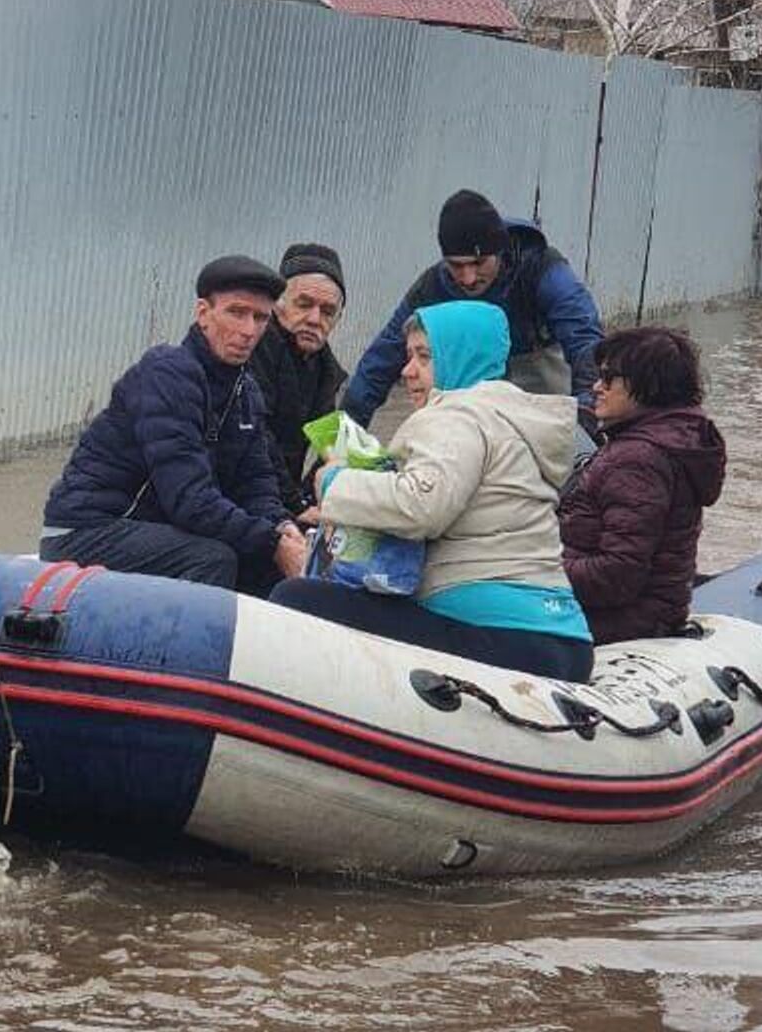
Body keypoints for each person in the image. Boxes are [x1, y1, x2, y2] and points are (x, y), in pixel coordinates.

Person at [270, 300, 594, 683]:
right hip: (565, 639)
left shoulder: (456, 415)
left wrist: (334, 482)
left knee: (296, 598)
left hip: (498, 635)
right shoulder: (510, 418)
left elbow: (421, 506)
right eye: (408, 356)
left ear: (461, 356)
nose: (407, 371)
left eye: (424, 357)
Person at [40, 255, 310, 594]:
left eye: (260, 318)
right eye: (236, 312)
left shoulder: (246, 393)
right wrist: (271, 542)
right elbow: (189, 501)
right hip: (88, 530)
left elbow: (255, 483)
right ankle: (186, 648)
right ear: (203, 314)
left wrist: (284, 528)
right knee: (214, 558)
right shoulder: (167, 374)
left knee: (265, 559)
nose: (248, 330)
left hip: (152, 529)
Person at [343, 189, 604, 427]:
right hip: (468, 382)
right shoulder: (432, 286)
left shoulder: (541, 268)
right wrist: (341, 437)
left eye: (479, 263)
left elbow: (585, 341)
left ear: (499, 252)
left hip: (538, 370)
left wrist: (588, 411)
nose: (468, 278)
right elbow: (380, 360)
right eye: (456, 265)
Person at [558, 327, 725, 645]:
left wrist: (530, 570)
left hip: (623, 620)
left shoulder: (638, 460)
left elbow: (617, 575)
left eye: (608, 379)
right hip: (653, 610)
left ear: (647, 386)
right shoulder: (671, 440)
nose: (596, 387)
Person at [247, 243, 349, 524]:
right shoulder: (254, 350)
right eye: (304, 305)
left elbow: (332, 444)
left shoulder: (325, 369)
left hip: (278, 496)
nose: (315, 319)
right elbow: (258, 437)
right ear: (278, 304)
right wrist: (296, 504)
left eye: (328, 311)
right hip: (241, 493)